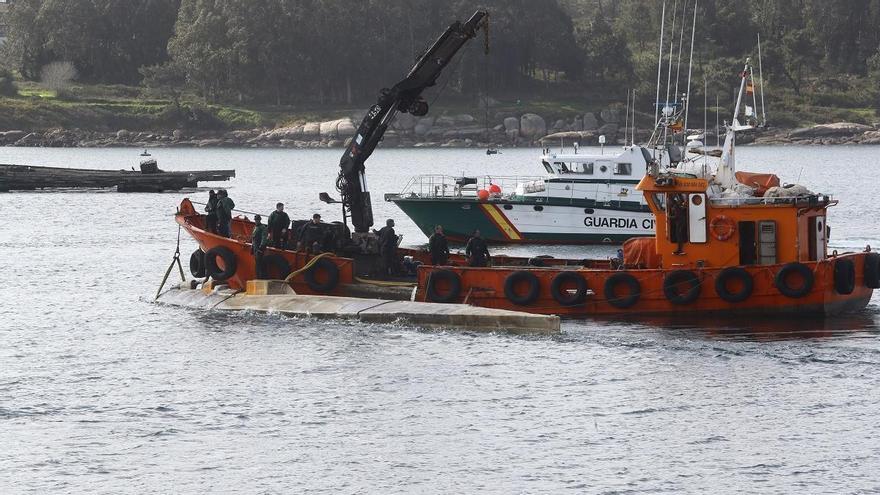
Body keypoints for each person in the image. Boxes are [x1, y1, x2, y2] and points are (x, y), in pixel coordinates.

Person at [251, 214, 269, 279]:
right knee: (257, 264)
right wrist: (252, 247)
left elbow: (264, 238)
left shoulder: (263, 228)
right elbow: (253, 238)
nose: (256, 221)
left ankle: (261, 278)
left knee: (260, 264)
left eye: (257, 220)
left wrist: (261, 247)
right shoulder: (255, 227)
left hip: (260, 249)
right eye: (255, 220)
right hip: (255, 248)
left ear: (260, 220)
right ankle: (258, 277)